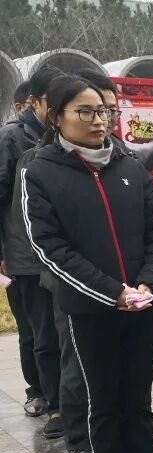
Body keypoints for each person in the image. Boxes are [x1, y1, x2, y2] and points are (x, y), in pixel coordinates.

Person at [22, 75, 153, 453]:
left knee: (138, 399)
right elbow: (48, 247)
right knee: (104, 401)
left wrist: (149, 284)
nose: (99, 121)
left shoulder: (128, 164)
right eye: (85, 112)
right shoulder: (40, 171)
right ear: (57, 117)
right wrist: (113, 292)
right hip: (92, 309)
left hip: (143, 304)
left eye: (105, 111)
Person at [1, 67, 61, 426]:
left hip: (56, 253)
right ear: (34, 102)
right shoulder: (12, 137)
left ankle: (59, 396)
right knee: (34, 330)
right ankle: (39, 392)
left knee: (54, 329)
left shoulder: (60, 134)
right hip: (22, 255)